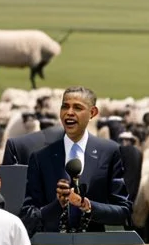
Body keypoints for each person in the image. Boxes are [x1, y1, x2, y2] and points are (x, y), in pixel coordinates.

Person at [20, 86, 133, 233]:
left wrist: (86, 205)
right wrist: (57, 205)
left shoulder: (109, 152)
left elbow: (123, 211)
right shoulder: (41, 158)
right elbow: (28, 217)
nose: (69, 113)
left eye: (77, 108)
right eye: (65, 106)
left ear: (93, 113)